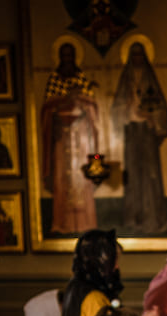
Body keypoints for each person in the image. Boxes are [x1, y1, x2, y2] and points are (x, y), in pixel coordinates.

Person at [40, 41, 101, 234]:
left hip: (81, 138)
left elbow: (92, 109)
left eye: (70, 56)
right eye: (64, 56)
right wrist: (63, 103)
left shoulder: (82, 79)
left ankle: (86, 224)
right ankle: (62, 224)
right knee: (61, 179)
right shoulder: (54, 80)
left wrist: (80, 103)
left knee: (83, 180)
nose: (67, 60)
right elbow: (47, 110)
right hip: (61, 139)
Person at [111, 41, 167, 235]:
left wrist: (151, 115)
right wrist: (127, 108)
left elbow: (162, 108)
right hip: (132, 132)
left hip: (147, 132)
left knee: (150, 174)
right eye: (134, 55)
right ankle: (133, 220)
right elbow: (116, 108)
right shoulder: (126, 80)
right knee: (133, 176)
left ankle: (153, 220)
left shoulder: (150, 80)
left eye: (139, 55)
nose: (137, 58)